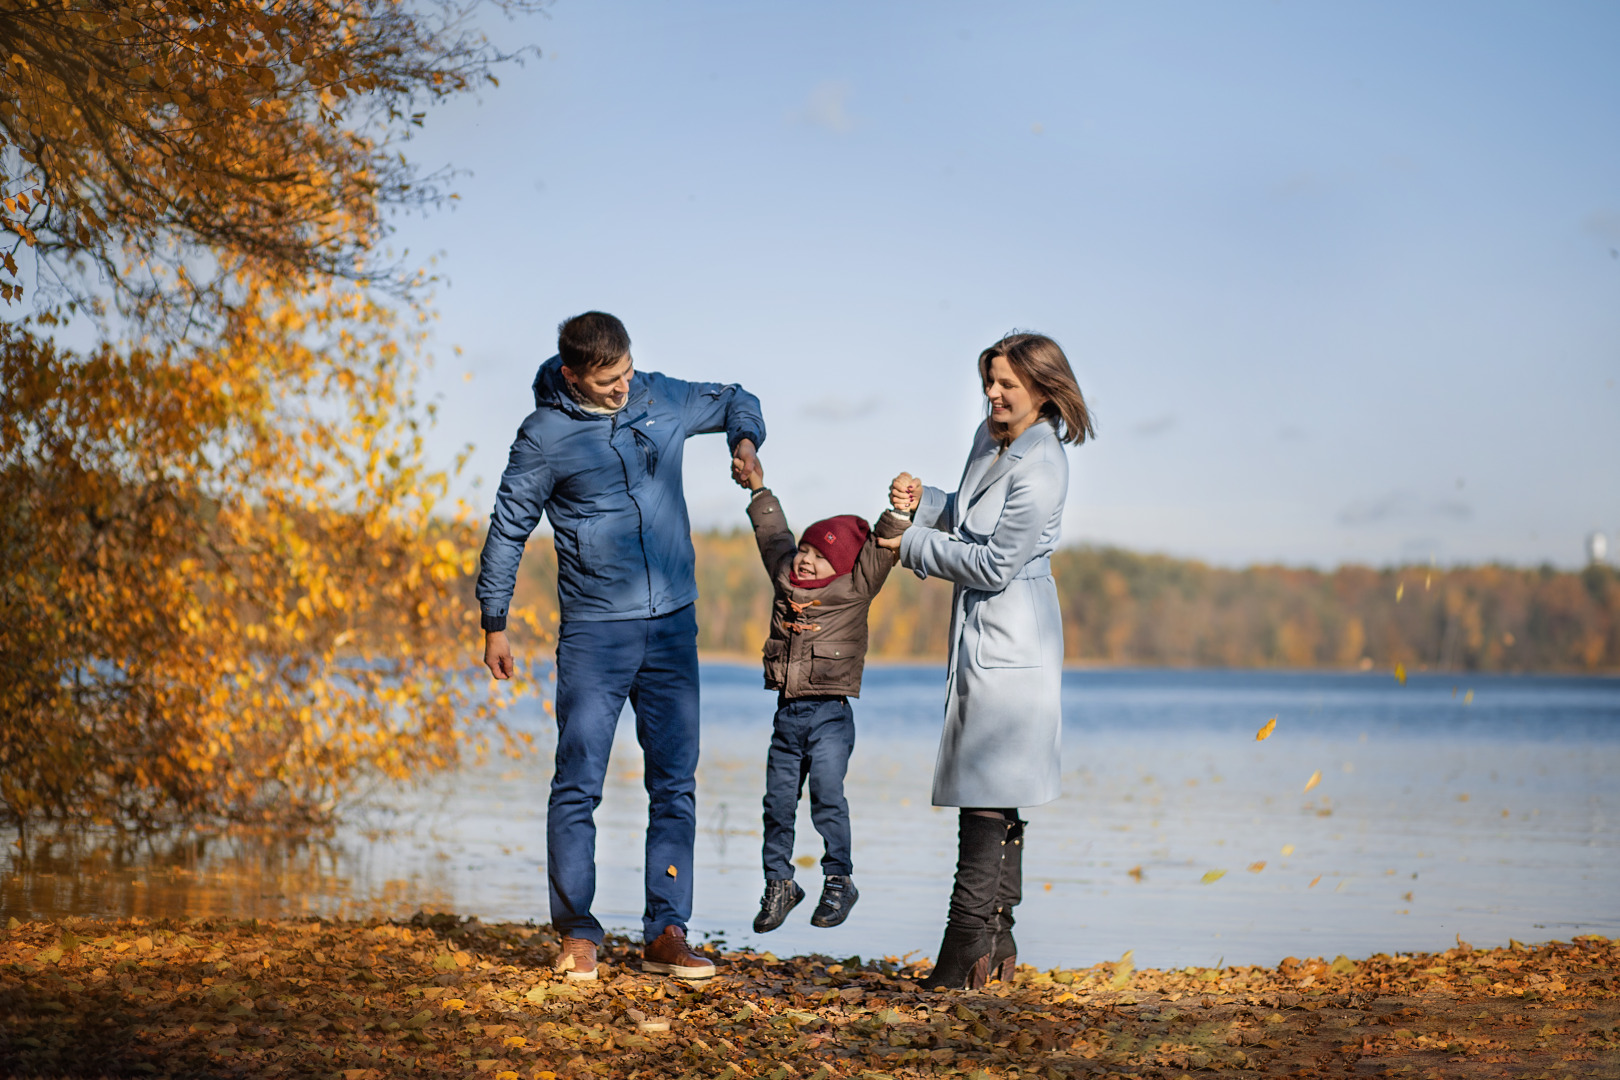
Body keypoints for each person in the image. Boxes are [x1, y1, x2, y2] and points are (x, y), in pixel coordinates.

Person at [476, 311, 765, 981]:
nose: (622, 389)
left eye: (627, 373)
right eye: (608, 381)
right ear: (573, 375)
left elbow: (737, 398)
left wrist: (744, 442)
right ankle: (578, 933)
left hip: (673, 629)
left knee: (675, 784)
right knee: (578, 783)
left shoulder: (660, 396)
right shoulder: (543, 438)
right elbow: (506, 529)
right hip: (594, 636)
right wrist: (496, 620)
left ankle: (667, 930)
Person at [880, 331, 1095, 990]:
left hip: (1015, 632)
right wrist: (928, 503)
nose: (994, 394)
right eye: (989, 382)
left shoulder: (1044, 462)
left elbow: (997, 563)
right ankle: (995, 945)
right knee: (996, 789)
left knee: (987, 788)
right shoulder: (990, 436)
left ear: (1043, 388)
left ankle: (964, 946)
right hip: (984, 628)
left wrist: (909, 544)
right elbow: (972, 519)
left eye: (1006, 384)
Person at [738, 457, 909, 933]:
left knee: (827, 796)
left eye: (818, 555)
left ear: (839, 567)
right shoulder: (783, 578)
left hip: (831, 714)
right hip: (787, 716)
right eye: (806, 548)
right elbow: (773, 534)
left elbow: (879, 550)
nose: (806, 558)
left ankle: (839, 880)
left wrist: (897, 513)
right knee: (777, 803)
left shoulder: (855, 588)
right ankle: (780, 883)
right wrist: (757, 489)